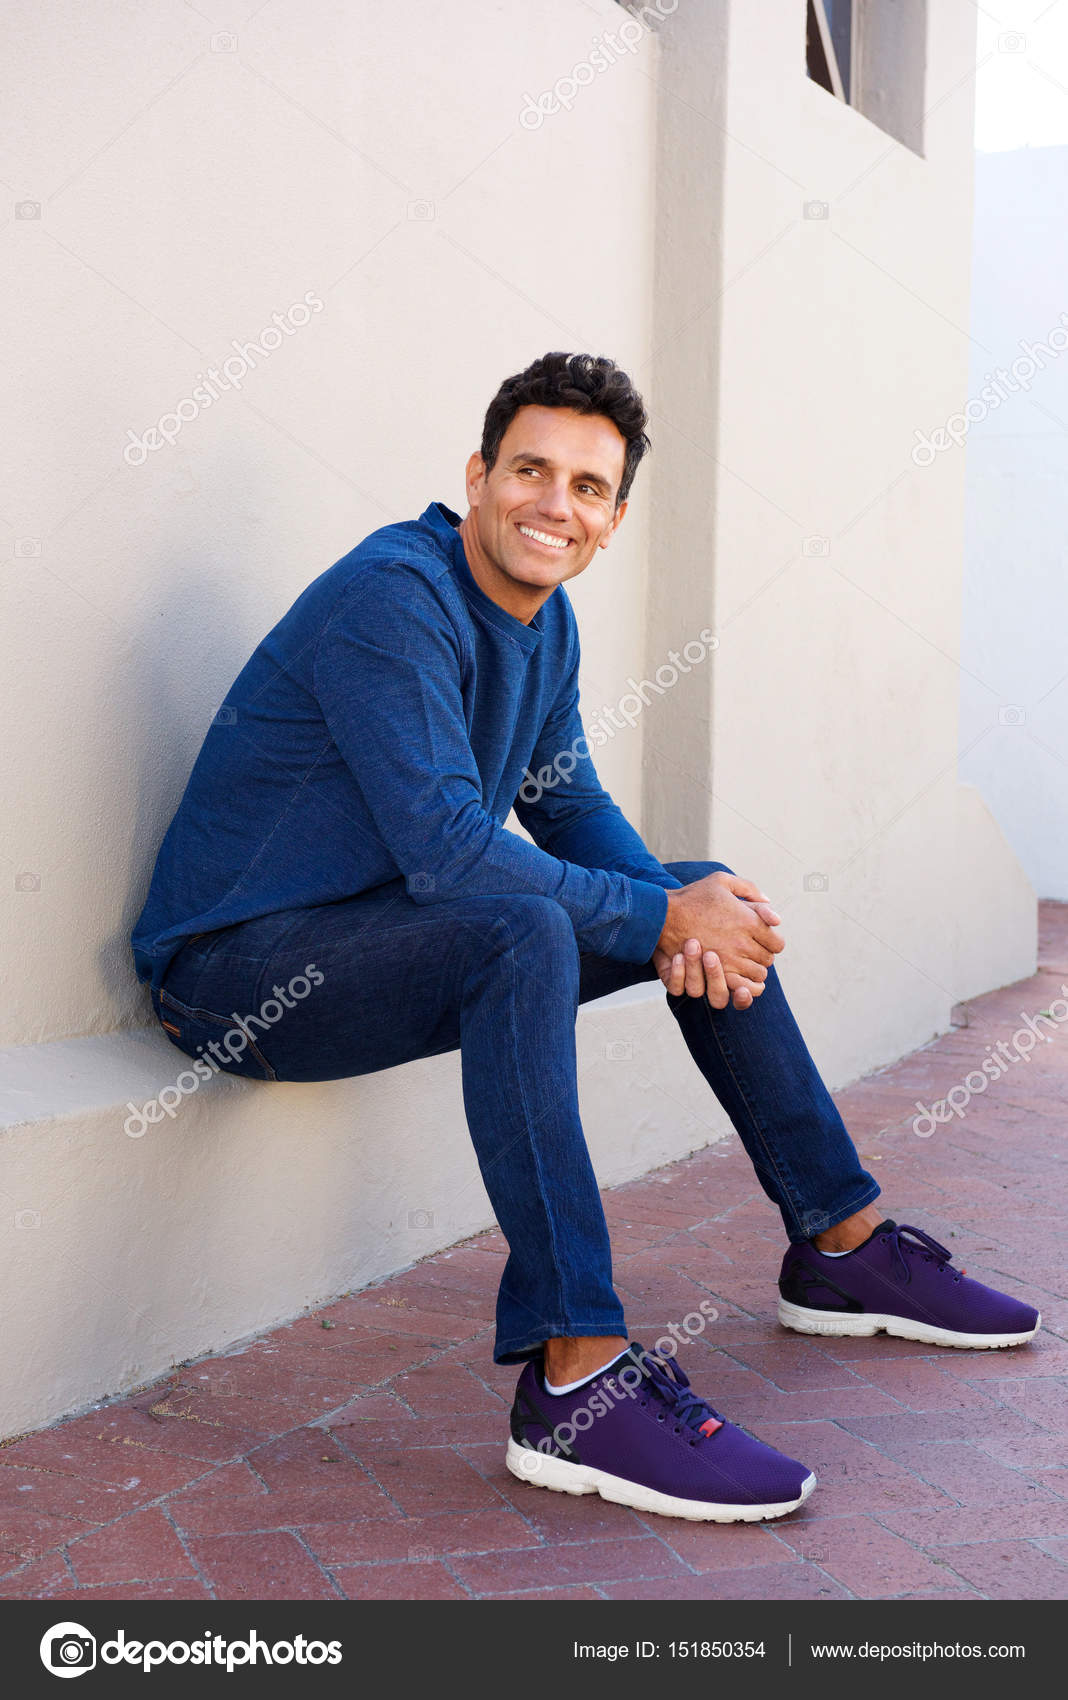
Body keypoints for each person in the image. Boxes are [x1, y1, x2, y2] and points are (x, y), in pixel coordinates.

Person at [130, 351, 1039, 1525]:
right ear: (478, 477)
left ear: (611, 519)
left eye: (589, 486)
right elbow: (450, 851)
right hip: (235, 976)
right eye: (531, 470)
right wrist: (661, 917)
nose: (554, 503)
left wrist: (685, 906)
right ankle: (578, 1377)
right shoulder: (392, 598)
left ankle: (842, 1243)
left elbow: (567, 807)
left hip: (376, 937)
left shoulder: (544, 622)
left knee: (687, 884)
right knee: (525, 928)